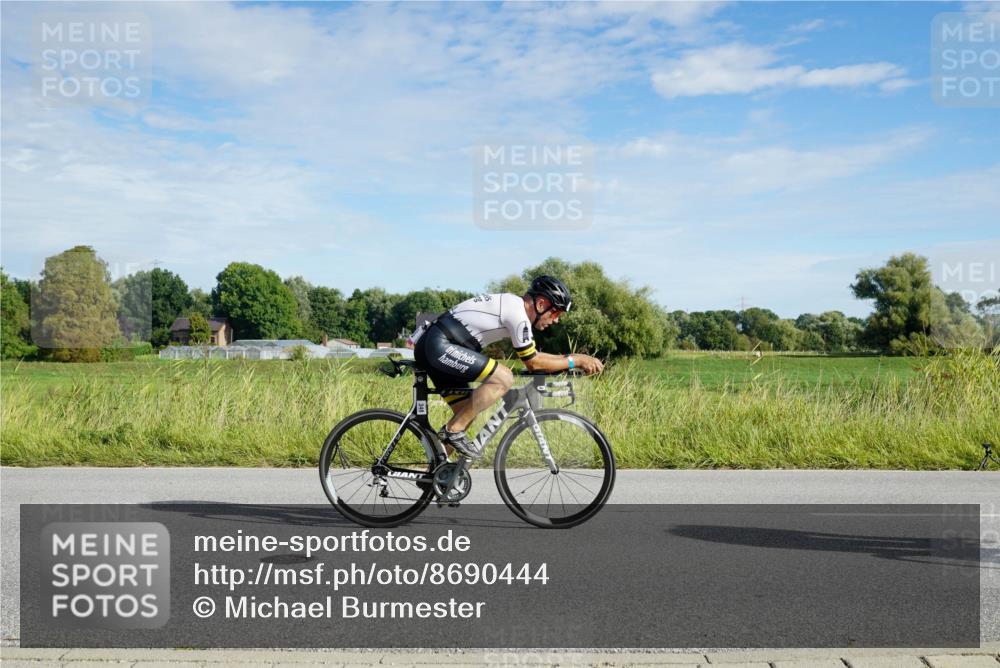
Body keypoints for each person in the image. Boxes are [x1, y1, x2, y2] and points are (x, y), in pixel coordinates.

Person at [410, 276, 603, 459]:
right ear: (541, 304)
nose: (556, 320)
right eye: (556, 313)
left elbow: (535, 356)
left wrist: (571, 359)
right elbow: (533, 363)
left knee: (466, 414)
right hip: (439, 346)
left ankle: (435, 472)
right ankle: (452, 431)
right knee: (503, 378)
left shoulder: (514, 307)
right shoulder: (518, 314)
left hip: (440, 346)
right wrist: (575, 361)